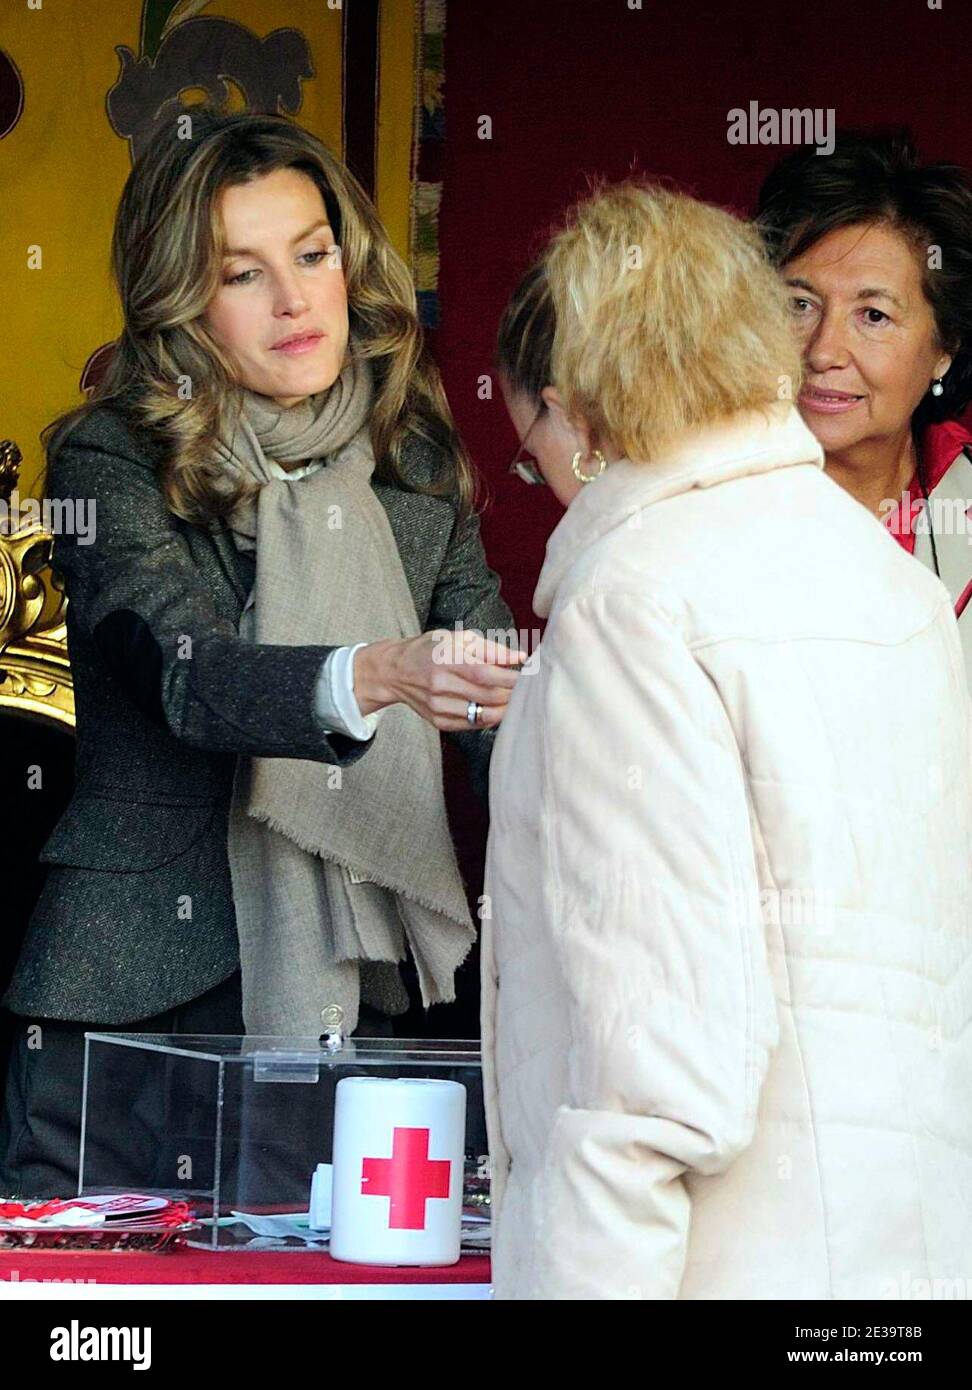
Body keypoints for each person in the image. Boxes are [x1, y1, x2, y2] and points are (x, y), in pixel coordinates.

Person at [0, 107, 519, 1197]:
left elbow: (498, 710)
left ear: (349, 263)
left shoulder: (414, 462)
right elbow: (184, 673)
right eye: (243, 272)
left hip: (371, 984)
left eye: (313, 254)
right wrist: (374, 672)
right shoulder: (109, 454)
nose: (294, 299)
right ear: (180, 303)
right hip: (135, 994)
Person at [481, 179, 972, 1299]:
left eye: (532, 452)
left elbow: (652, 1070)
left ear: (584, 414)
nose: (546, 485)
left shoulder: (633, 603)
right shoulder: (890, 582)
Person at [757, 130, 972, 687]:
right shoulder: (691, 509)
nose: (824, 351)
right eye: (798, 304)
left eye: (873, 316)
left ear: (945, 348)